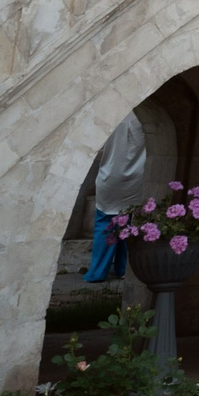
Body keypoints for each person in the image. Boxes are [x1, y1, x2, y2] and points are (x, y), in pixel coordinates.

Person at [83, 112, 149, 283]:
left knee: (105, 223)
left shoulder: (113, 113)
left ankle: (98, 272)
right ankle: (123, 269)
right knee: (129, 224)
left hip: (111, 174)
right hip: (137, 177)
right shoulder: (147, 116)